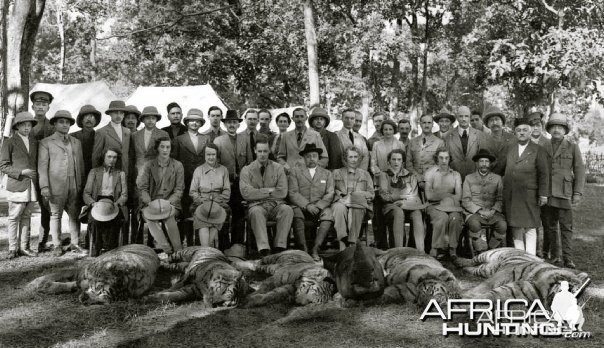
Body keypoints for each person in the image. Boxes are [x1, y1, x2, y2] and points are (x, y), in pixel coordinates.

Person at [38, 110, 87, 257]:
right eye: (61, 122)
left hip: (75, 183)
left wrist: (82, 185)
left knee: (74, 214)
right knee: (55, 215)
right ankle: (57, 245)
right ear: (54, 124)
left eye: (67, 122)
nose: (65, 125)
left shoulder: (76, 142)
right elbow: (42, 166)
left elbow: (81, 165)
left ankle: (75, 243)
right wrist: (44, 186)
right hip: (55, 185)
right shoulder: (46, 142)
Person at [541, 113, 585, 268]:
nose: (557, 130)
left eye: (560, 127)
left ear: (565, 130)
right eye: (553, 127)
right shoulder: (543, 145)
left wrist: (577, 192)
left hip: (565, 193)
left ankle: (568, 258)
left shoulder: (572, 147)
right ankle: (555, 256)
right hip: (548, 193)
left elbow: (579, 170)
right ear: (549, 129)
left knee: (566, 227)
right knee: (550, 226)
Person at [500, 118, 550, 256]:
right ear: (515, 133)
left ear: (530, 132)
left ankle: (531, 257)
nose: (522, 133)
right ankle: (520, 257)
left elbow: (544, 174)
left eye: (525, 130)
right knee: (516, 226)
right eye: (519, 130)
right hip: (512, 194)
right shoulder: (510, 149)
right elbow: (500, 167)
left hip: (530, 195)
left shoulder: (538, 150)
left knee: (530, 227)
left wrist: (543, 194)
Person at [240, 138, 293, 256]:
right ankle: (264, 249)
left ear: (269, 151)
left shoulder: (278, 168)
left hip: (276, 206)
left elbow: (283, 192)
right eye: (260, 151)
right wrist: (269, 191)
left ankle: (279, 247)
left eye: (265, 151)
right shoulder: (247, 170)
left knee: (287, 210)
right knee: (255, 212)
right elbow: (246, 193)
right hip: (257, 206)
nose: (262, 154)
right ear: (255, 151)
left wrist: (258, 192)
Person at [0, 112, 39, 258]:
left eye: (29, 125)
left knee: (26, 216)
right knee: (14, 217)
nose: (27, 128)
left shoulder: (34, 142)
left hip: (31, 185)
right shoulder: (10, 142)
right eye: (23, 125)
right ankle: (12, 248)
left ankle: (24, 247)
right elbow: (3, 166)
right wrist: (22, 171)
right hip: (17, 184)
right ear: (17, 126)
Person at [137, 137, 185, 255]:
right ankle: (167, 250)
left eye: (168, 147)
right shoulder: (148, 165)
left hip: (170, 202)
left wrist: (168, 202)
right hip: (151, 202)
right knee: (149, 217)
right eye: (162, 147)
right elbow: (142, 188)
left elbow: (179, 189)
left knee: (169, 217)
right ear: (157, 148)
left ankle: (178, 251)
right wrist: (149, 202)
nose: (165, 150)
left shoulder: (178, 165)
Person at [288, 143, 334, 259]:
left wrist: (318, 206)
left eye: (314, 156)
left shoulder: (327, 174)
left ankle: (315, 249)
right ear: (303, 158)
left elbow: (330, 193)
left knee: (328, 214)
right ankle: (303, 249)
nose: (311, 158)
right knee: (295, 212)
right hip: (302, 207)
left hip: (319, 208)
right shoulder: (295, 172)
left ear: (318, 157)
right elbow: (293, 192)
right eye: (308, 156)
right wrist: (307, 205)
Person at [213, 110, 252, 246]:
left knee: (239, 214)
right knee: (223, 212)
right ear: (224, 124)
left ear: (238, 124)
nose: (232, 125)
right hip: (224, 183)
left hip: (241, 184)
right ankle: (224, 245)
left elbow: (250, 162)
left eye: (234, 122)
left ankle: (237, 245)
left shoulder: (245, 139)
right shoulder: (218, 140)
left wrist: (245, 178)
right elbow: (215, 164)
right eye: (229, 122)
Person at [82, 148, 127, 256]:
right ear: (104, 157)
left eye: (115, 157)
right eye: (109, 157)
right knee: (95, 221)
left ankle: (111, 249)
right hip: (97, 202)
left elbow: (124, 195)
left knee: (115, 221)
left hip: (113, 202)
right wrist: (93, 204)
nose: (112, 160)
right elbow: (86, 193)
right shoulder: (94, 172)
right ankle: (96, 248)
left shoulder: (120, 174)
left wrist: (117, 204)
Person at [172, 108, 208, 245]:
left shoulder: (206, 138)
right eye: (192, 120)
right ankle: (187, 242)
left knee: (200, 209)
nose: (194, 123)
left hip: (201, 181)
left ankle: (199, 242)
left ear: (201, 123)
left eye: (197, 121)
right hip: (185, 180)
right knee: (186, 212)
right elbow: (174, 162)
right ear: (187, 123)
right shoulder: (178, 140)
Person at [379, 149, 426, 250]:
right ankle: (398, 250)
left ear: (403, 162)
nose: (396, 162)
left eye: (399, 159)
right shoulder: (384, 175)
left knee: (417, 213)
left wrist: (403, 201)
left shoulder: (410, 176)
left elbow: (415, 197)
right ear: (389, 161)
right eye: (394, 159)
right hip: (390, 207)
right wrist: (401, 197)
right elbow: (384, 195)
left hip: (408, 206)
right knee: (398, 212)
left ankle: (419, 251)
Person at [461, 149, 507, 252]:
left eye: (486, 162)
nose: (484, 164)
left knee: (502, 226)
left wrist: (493, 211)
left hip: (493, 212)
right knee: (474, 225)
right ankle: (479, 252)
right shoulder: (469, 178)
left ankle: (490, 248)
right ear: (477, 163)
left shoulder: (497, 178)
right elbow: (466, 200)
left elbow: (500, 199)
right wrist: (479, 211)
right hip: (475, 213)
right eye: (481, 161)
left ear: (490, 164)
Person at [331, 146, 374, 251]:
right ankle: (342, 241)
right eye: (351, 157)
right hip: (340, 201)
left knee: (356, 208)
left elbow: (371, 194)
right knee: (338, 208)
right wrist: (341, 197)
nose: (354, 159)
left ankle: (352, 243)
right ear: (345, 158)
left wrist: (355, 196)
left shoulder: (365, 174)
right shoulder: (336, 173)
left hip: (358, 204)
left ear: (359, 158)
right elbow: (330, 190)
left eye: (356, 157)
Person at [189, 143, 230, 248]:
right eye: (208, 154)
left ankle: (205, 250)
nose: (211, 157)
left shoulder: (223, 170)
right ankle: (207, 249)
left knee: (217, 214)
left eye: (213, 154)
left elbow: (226, 191)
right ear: (204, 155)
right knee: (203, 219)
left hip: (218, 203)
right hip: (201, 202)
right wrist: (202, 201)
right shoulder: (198, 170)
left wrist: (217, 201)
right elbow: (193, 191)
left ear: (217, 155)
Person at [425, 148, 463, 260]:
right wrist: (447, 195)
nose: (444, 160)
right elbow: (429, 196)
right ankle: (435, 248)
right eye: (441, 157)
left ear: (450, 159)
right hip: (434, 205)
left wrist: (443, 196)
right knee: (442, 218)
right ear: (437, 159)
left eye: (446, 158)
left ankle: (452, 249)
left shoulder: (456, 175)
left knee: (455, 218)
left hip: (452, 206)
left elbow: (459, 196)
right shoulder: (430, 173)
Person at [29, 90, 54, 252]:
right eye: (38, 104)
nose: (40, 107)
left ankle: (42, 242)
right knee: (24, 209)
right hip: (28, 172)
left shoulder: (52, 127)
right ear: (33, 106)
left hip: (45, 173)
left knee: (46, 207)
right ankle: (21, 244)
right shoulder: (24, 124)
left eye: (44, 104)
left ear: (48, 107)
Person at [444, 105, 493, 181]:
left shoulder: (479, 135)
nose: (464, 119)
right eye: (461, 116)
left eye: (466, 116)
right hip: (453, 179)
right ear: (457, 118)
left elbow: (484, 159)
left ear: (470, 118)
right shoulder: (448, 136)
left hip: (475, 179)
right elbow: (446, 159)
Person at [278, 107, 328, 173]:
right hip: (290, 174)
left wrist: (314, 169)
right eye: (297, 117)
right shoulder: (285, 136)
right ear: (293, 119)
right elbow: (280, 157)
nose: (299, 119)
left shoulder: (315, 135)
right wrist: (286, 167)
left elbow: (324, 157)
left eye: (302, 116)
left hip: (309, 176)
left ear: (306, 118)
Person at [92, 100, 132, 180]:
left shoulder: (127, 132)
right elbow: (96, 156)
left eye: (121, 113)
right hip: (107, 173)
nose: (118, 115)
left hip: (124, 172)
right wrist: (97, 176)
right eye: (115, 113)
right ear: (110, 114)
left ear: (124, 115)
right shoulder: (102, 132)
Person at [406, 114, 444, 191]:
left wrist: (427, 180)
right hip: (414, 182)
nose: (426, 125)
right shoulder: (412, 142)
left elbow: (441, 164)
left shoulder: (439, 142)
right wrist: (418, 179)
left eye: (429, 123)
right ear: (420, 124)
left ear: (433, 124)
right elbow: (408, 163)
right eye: (424, 122)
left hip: (432, 182)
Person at [132, 106, 170, 175]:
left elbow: (166, 154)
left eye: (153, 118)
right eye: (148, 118)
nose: (150, 120)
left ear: (156, 120)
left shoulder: (163, 134)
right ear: (143, 120)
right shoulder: (135, 135)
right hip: (139, 171)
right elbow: (132, 155)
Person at [483, 105, 515, 175]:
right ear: (488, 124)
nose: (494, 123)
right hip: (491, 179)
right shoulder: (483, 141)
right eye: (491, 120)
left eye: (497, 119)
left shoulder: (513, 139)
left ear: (502, 122)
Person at [70, 105, 101, 177]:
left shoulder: (100, 137)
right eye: (85, 116)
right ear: (81, 120)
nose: (89, 119)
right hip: (77, 174)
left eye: (91, 116)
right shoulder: (72, 137)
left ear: (95, 120)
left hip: (95, 174)